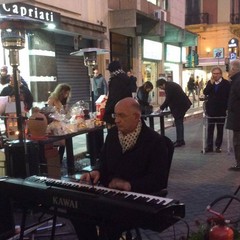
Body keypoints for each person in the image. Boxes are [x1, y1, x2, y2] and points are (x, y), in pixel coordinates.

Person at [71, 97, 170, 240]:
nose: (116, 120)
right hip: (109, 195)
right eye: (115, 115)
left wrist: (129, 185)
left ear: (137, 117)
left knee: (110, 222)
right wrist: (96, 171)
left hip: (134, 200)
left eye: (121, 116)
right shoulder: (112, 135)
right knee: (76, 211)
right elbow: (102, 161)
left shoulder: (155, 141)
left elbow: (158, 180)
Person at [156, 78, 192, 147]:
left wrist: (161, 108)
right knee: (179, 122)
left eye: (160, 87)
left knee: (178, 122)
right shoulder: (170, 85)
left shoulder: (169, 87)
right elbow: (170, 99)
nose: (161, 89)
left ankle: (179, 141)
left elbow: (168, 99)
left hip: (180, 106)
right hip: (182, 105)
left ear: (163, 84)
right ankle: (181, 140)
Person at [203, 67, 230, 153]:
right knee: (210, 129)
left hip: (221, 110)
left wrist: (228, 108)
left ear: (221, 74)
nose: (215, 75)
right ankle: (209, 146)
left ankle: (218, 146)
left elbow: (229, 96)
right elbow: (205, 92)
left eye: (217, 73)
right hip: (211, 110)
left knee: (220, 129)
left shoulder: (226, 83)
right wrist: (210, 84)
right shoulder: (210, 82)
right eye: (214, 73)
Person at [103, 61, 132, 126]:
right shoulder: (126, 77)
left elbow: (114, 98)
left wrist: (107, 111)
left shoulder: (115, 80)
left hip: (116, 113)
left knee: (114, 133)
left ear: (112, 70)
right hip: (126, 110)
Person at [47, 83, 71, 162]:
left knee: (63, 142)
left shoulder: (64, 100)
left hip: (61, 124)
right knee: (57, 143)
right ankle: (56, 160)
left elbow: (64, 113)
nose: (67, 95)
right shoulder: (52, 99)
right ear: (61, 92)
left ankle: (59, 160)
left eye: (68, 93)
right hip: (53, 124)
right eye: (66, 93)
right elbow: (49, 111)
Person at [226, 59, 240, 170]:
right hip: (236, 117)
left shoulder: (238, 81)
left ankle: (239, 164)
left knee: (237, 142)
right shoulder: (235, 80)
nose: (228, 71)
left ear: (234, 69)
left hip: (237, 119)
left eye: (230, 68)